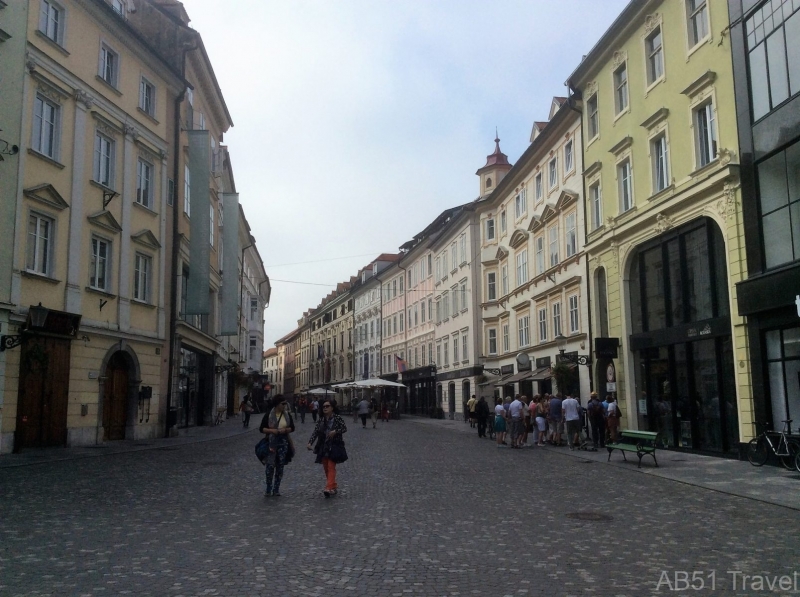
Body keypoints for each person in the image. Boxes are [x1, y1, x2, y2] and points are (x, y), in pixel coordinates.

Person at [307, 399, 348, 497]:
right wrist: (310, 442)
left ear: (332, 408)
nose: (325, 408)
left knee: (331, 466)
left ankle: (328, 487)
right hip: (323, 446)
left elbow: (344, 428)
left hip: (334, 445)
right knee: (326, 466)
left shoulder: (337, 418)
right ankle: (333, 486)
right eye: (324, 406)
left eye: (327, 406)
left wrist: (335, 431)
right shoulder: (321, 419)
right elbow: (316, 431)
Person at [259, 395, 295, 497]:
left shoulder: (287, 415)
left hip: (283, 442)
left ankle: (276, 489)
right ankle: (268, 488)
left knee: (280, 466)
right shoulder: (268, 415)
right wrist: (271, 431)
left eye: (285, 403)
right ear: (277, 404)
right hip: (271, 442)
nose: (285, 405)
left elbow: (292, 427)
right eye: (282, 404)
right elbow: (262, 429)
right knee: (270, 466)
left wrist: (286, 430)